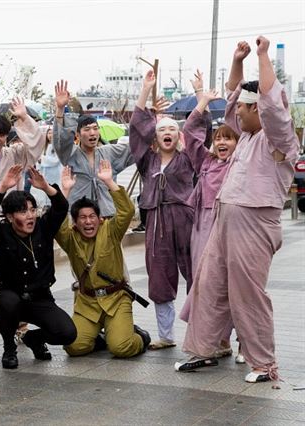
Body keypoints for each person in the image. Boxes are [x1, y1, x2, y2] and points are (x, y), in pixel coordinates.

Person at [176, 37, 299, 383]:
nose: (236, 115)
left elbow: (274, 106)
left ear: (257, 110)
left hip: (254, 224)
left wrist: (262, 56)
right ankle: (207, 348)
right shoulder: (245, 137)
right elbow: (234, 94)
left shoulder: (279, 138)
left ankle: (263, 364)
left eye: (244, 110)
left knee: (247, 294)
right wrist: (238, 60)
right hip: (225, 220)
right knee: (210, 283)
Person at [176, 71, 243, 362]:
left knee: (236, 284)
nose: (223, 143)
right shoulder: (205, 160)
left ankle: (244, 341)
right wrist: (202, 100)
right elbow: (190, 135)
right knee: (204, 282)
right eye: (219, 139)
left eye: (229, 139)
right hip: (201, 227)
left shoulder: (240, 164)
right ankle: (216, 340)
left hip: (229, 226)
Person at [129, 70, 196, 350]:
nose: (166, 133)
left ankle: (203, 333)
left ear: (178, 135)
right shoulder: (148, 161)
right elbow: (137, 131)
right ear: (155, 137)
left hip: (185, 218)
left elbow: (197, 133)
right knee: (159, 275)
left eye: (171, 129)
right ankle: (166, 336)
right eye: (161, 130)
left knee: (197, 274)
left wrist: (201, 97)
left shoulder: (189, 157)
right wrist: (145, 91)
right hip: (156, 220)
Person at [0, 164, 76, 369]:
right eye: (23, 211)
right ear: (9, 217)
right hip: (13, 295)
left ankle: (34, 338)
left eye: (32, 210)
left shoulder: (44, 228)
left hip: (40, 297)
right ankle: (9, 349)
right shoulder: (1, 233)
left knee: (68, 333)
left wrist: (46, 187)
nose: (30, 216)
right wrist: (2, 188)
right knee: (7, 301)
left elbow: (61, 207)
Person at [57, 164, 151, 358]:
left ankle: (140, 337)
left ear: (100, 219)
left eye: (92, 216)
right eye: (82, 218)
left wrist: (108, 181)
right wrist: (65, 191)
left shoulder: (111, 230)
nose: (88, 222)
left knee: (121, 348)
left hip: (116, 299)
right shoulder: (70, 238)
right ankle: (99, 338)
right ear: (75, 222)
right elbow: (56, 224)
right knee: (73, 347)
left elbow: (126, 211)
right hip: (87, 302)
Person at [52, 80, 133, 216]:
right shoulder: (70, 154)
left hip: (106, 213)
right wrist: (60, 109)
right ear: (78, 134)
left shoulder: (109, 151)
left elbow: (135, 148)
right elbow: (60, 140)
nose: (92, 133)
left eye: (95, 129)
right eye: (87, 129)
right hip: (79, 215)